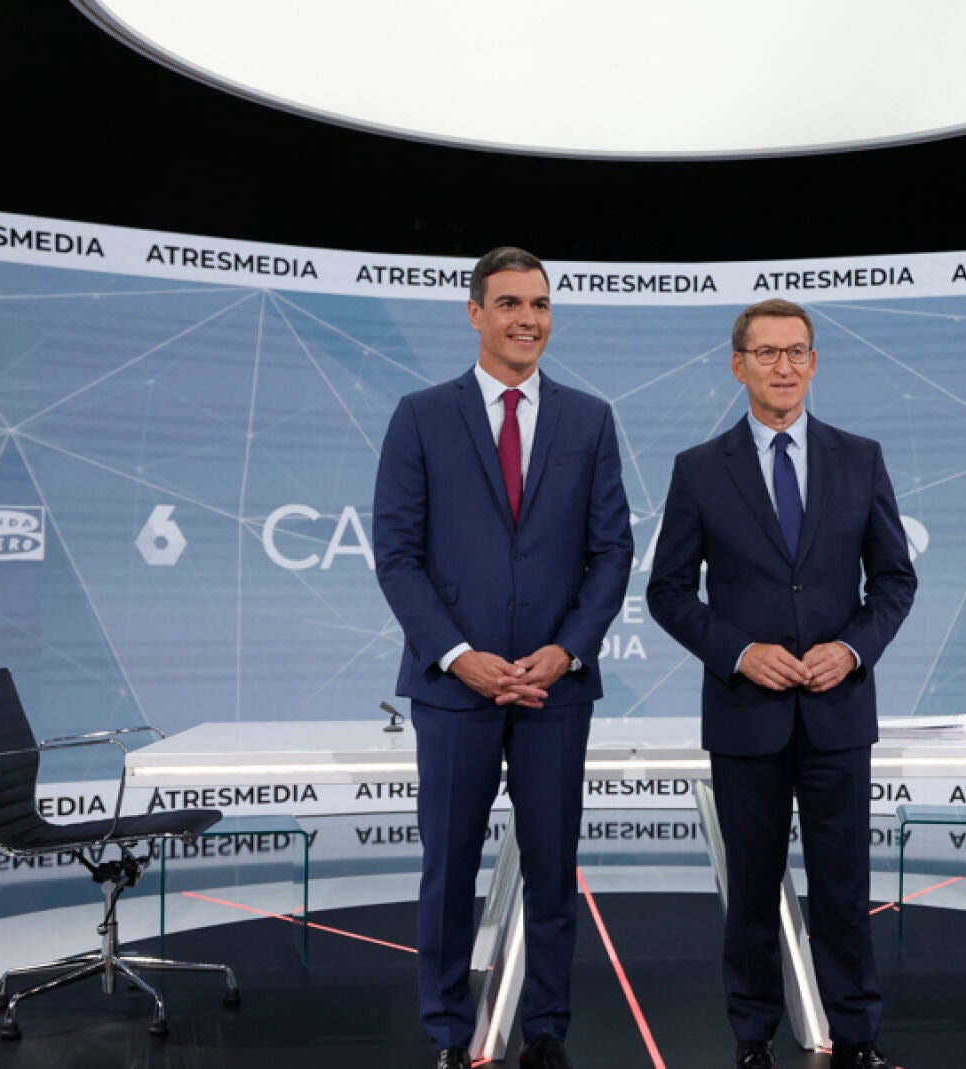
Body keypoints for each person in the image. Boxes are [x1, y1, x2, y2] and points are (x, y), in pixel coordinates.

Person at [374, 247, 633, 1069]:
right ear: (475, 312)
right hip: (455, 690)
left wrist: (567, 650)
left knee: (553, 868)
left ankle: (546, 1028)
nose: (529, 319)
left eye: (541, 304)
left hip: (556, 689)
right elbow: (396, 556)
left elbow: (612, 552)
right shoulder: (421, 415)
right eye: (512, 302)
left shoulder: (590, 418)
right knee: (449, 868)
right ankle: (450, 1033)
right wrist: (458, 655)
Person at [647, 298, 917, 1069]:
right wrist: (739, 652)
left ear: (814, 361)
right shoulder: (700, 469)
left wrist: (852, 650)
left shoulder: (860, 458)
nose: (784, 366)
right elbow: (668, 592)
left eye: (797, 351)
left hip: (838, 712)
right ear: (739, 366)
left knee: (844, 886)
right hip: (747, 713)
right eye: (766, 352)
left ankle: (857, 1037)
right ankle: (753, 1037)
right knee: (753, 889)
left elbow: (894, 580)